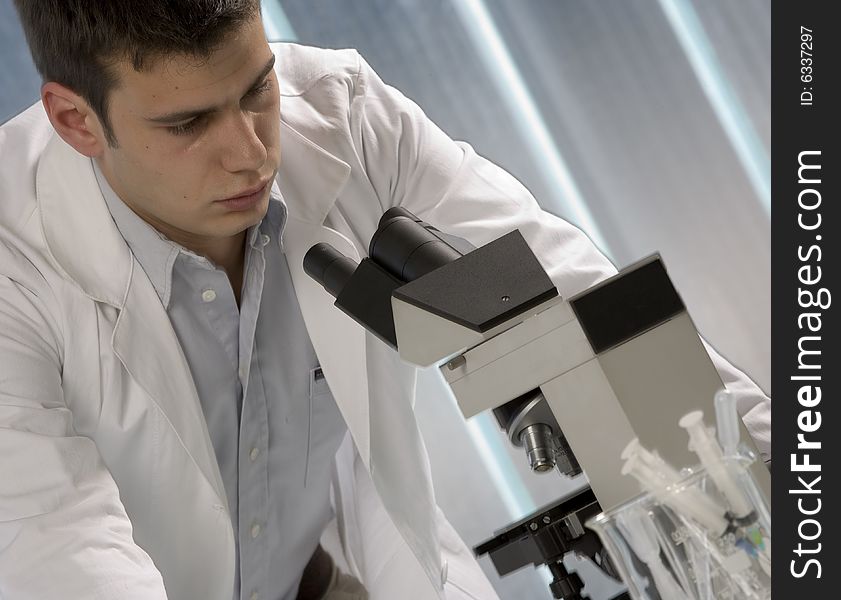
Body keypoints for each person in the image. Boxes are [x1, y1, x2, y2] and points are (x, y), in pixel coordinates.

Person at [0, 2, 771, 599]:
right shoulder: (14, 255)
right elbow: (57, 547)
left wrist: (785, 496)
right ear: (76, 120)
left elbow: (575, 303)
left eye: (256, 87)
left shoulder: (345, 121)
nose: (253, 152)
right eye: (189, 123)